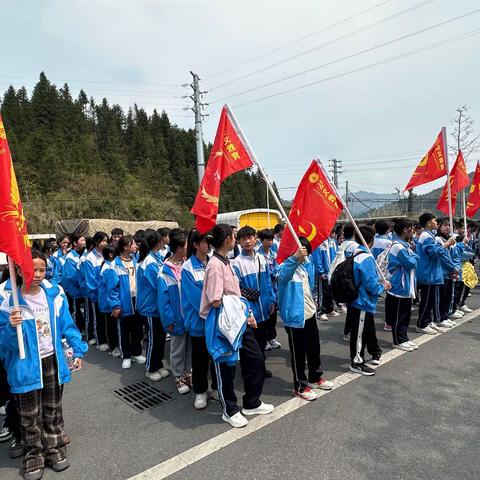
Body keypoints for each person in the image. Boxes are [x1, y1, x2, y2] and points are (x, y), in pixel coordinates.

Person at [0, 250, 87, 480]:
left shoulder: (54, 294)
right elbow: (2, 344)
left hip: (52, 361)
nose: (37, 274)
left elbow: (67, 325)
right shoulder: (9, 301)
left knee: (53, 410)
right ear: (18, 269)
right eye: (32, 269)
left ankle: (54, 450)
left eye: (42, 269)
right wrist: (10, 326)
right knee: (29, 416)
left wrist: (78, 350)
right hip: (24, 366)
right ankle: (33, 457)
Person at [200, 224, 273, 428]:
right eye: (234, 236)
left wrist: (246, 312)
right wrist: (238, 304)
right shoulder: (215, 265)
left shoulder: (226, 262)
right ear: (228, 240)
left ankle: (251, 402)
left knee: (255, 358)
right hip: (223, 323)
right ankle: (229, 410)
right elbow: (215, 299)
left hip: (238, 320)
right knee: (226, 368)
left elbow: (234, 293)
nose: (237, 240)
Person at [277, 238, 334, 400]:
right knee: (298, 355)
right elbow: (282, 276)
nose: (305, 254)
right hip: (295, 319)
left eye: (307, 251)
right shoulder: (284, 266)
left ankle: (315, 377)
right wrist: (294, 258)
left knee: (314, 349)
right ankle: (300, 386)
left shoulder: (306, 266)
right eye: (302, 250)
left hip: (309, 315)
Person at [347, 225, 391, 376]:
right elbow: (371, 283)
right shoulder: (366, 257)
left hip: (355, 299)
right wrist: (383, 287)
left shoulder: (355, 252)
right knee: (359, 334)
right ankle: (357, 362)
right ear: (371, 240)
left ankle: (363, 356)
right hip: (362, 301)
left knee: (362, 331)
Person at [182, 229, 218, 409]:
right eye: (205, 241)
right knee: (200, 360)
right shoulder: (187, 267)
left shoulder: (214, 262)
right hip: (199, 322)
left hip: (216, 320)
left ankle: (217, 388)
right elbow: (196, 299)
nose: (208, 244)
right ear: (196, 244)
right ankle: (200, 391)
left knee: (216, 357)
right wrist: (215, 306)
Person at [232, 226, 276, 376]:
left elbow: (268, 282)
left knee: (262, 341)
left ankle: (260, 369)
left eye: (250, 237)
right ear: (239, 241)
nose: (247, 241)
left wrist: (271, 300)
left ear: (255, 238)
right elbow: (237, 291)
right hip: (250, 312)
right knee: (250, 345)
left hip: (264, 308)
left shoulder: (261, 258)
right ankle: (248, 372)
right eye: (243, 238)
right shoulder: (236, 263)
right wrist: (246, 311)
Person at [157, 229, 191, 394]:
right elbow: (163, 302)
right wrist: (169, 320)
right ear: (178, 248)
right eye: (186, 245)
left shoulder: (188, 264)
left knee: (190, 347)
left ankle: (188, 373)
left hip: (190, 316)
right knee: (177, 348)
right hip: (177, 318)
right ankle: (178, 376)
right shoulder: (164, 272)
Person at [416, 213, 457, 335]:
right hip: (428, 273)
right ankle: (422, 324)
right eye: (435, 220)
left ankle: (428, 322)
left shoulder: (430, 235)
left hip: (432, 273)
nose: (436, 223)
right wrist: (446, 244)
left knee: (430, 301)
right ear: (428, 223)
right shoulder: (426, 236)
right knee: (427, 301)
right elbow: (433, 253)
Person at [136, 229, 169, 381]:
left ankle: (158, 364)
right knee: (154, 339)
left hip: (156, 306)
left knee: (160, 338)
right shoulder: (149, 261)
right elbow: (159, 284)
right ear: (158, 242)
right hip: (150, 307)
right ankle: (150, 368)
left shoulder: (154, 258)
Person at [109, 235, 145, 369]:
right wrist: (116, 305)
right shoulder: (114, 265)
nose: (136, 246)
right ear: (125, 247)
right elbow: (112, 288)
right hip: (124, 302)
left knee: (137, 329)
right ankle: (126, 355)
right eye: (133, 244)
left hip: (137, 301)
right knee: (124, 330)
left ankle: (137, 353)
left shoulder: (136, 261)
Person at [385, 218, 419, 351]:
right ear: (405, 229)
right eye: (411, 228)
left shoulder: (404, 245)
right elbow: (410, 263)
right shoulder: (398, 246)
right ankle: (398, 340)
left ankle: (403, 338)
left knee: (405, 314)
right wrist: (415, 255)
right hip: (398, 285)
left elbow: (411, 261)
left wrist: (413, 256)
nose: (413, 231)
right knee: (399, 315)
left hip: (405, 286)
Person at [84, 231, 109, 351]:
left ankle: (106, 338)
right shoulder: (90, 258)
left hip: (106, 293)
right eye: (103, 241)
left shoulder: (107, 254)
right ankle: (100, 340)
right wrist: (96, 294)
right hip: (96, 294)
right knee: (97, 317)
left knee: (106, 318)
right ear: (96, 242)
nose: (105, 243)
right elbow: (91, 280)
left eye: (106, 241)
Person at [257, 229, 281, 350]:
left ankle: (271, 337)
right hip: (264, 288)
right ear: (261, 241)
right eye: (267, 240)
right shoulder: (258, 255)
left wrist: (276, 273)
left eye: (271, 239)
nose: (270, 242)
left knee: (273, 315)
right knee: (265, 314)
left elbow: (276, 267)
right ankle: (264, 339)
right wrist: (271, 273)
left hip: (274, 288)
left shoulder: (273, 254)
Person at [62, 233, 87, 334]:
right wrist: (82, 283)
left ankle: (84, 328)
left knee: (84, 310)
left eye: (84, 240)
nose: (84, 242)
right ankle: (78, 331)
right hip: (76, 290)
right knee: (76, 311)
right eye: (82, 240)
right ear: (75, 243)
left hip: (85, 289)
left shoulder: (85, 254)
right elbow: (71, 276)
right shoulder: (70, 257)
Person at [98, 245, 120, 356]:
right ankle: (112, 347)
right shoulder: (108, 267)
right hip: (107, 302)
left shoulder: (108, 265)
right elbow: (110, 287)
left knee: (112, 324)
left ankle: (114, 345)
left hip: (108, 301)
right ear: (111, 254)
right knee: (110, 325)